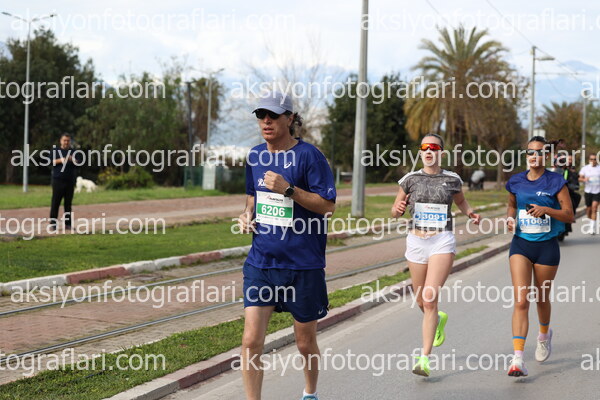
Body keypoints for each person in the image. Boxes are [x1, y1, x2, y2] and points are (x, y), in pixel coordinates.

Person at [238, 91, 336, 400]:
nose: (266, 121)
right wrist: (247, 214)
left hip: (302, 264)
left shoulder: (310, 156)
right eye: (261, 115)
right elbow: (252, 195)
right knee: (251, 340)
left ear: (290, 118)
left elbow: (328, 206)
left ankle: (310, 392)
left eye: (273, 115)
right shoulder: (255, 156)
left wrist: (288, 189)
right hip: (262, 262)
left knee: (304, 342)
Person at [391, 133, 481, 377]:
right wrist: (397, 209)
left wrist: (471, 213)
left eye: (434, 147)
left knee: (429, 299)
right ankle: (438, 320)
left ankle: (424, 358)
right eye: (425, 147)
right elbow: (395, 210)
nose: (429, 151)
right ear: (420, 152)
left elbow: (461, 202)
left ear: (441, 152)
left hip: (441, 240)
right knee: (421, 301)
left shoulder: (452, 179)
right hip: (416, 241)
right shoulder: (409, 179)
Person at [504, 136, 574, 377]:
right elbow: (511, 205)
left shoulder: (556, 181)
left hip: (547, 247)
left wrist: (547, 210)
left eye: (539, 152)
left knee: (541, 298)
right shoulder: (516, 181)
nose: (534, 156)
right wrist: (510, 218)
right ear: (526, 156)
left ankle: (544, 335)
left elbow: (569, 215)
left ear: (547, 156)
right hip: (521, 245)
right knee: (521, 301)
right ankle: (517, 359)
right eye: (530, 152)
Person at [50, 133, 79, 229]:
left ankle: (68, 224)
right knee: (55, 202)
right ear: (60, 141)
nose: (66, 142)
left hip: (70, 181)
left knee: (68, 204)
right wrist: (61, 160)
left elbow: (79, 163)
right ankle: (53, 224)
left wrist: (72, 159)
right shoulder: (55, 151)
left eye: (68, 140)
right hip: (58, 180)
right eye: (64, 140)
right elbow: (50, 162)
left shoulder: (74, 152)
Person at [559, 155, 582, 240]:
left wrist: (571, 186)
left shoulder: (572, 171)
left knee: (576, 198)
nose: (567, 161)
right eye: (565, 160)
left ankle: (571, 217)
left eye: (569, 160)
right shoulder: (554, 171)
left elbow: (575, 184)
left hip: (568, 193)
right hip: (555, 193)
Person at [579, 153, 600, 235]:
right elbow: (580, 178)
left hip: (597, 191)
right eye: (591, 159)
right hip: (588, 191)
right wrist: (584, 179)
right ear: (589, 160)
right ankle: (590, 221)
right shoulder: (585, 168)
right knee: (589, 209)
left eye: (595, 159)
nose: (593, 161)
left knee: (594, 208)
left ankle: (592, 228)